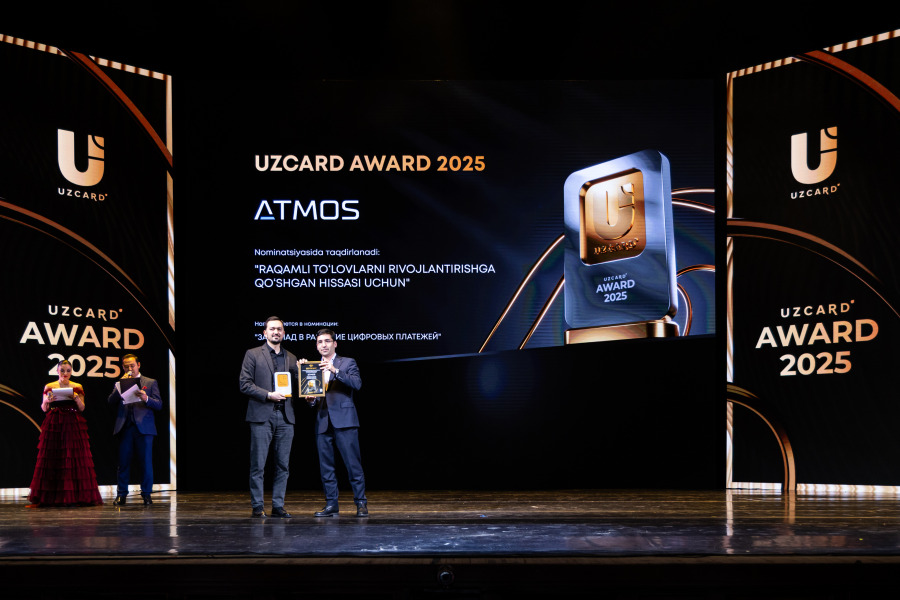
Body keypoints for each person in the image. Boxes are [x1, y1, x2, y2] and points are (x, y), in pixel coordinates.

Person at [300, 328, 367, 517]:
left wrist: (334, 370)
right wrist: (310, 400)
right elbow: (313, 397)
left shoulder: (347, 362)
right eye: (320, 342)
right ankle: (331, 504)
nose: (323, 345)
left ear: (335, 343)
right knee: (326, 467)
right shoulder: (312, 367)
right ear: (316, 346)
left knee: (353, 464)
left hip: (345, 420)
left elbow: (357, 384)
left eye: (327, 341)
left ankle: (361, 502)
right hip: (323, 420)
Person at [239, 316, 298, 518]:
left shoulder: (291, 357)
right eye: (272, 329)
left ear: (284, 333)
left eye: (279, 329)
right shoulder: (253, 354)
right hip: (262, 415)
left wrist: (306, 373)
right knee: (258, 465)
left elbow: (299, 385)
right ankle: (257, 506)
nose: (276, 332)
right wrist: (268, 395)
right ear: (264, 332)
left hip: (286, 417)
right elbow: (244, 384)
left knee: (283, 465)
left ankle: (278, 506)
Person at [28, 360, 103, 506]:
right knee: (53, 457)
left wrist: (76, 398)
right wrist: (47, 401)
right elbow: (44, 408)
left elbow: (82, 408)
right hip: (54, 422)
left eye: (68, 370)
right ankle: (51, 496)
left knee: (72, 456)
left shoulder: (77, 386)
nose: (65, 373)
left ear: (71, 371)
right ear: (57, 371)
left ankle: (75, 496)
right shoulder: (50, 386)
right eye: (62, 370)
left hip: (72, 422)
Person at [108, 353, 162, 506]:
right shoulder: (119, 383)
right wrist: (120, 386)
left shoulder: (150, 382)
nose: (129, 369)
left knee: (146, 463)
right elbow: (110, 401)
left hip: (144, 428)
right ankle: (121, 494)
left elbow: (159, 404)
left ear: (138, 365)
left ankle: (146, 494)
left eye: (132, 365)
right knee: (123, 463)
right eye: (126, 366)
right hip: (125, 427)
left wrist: (146, 398)